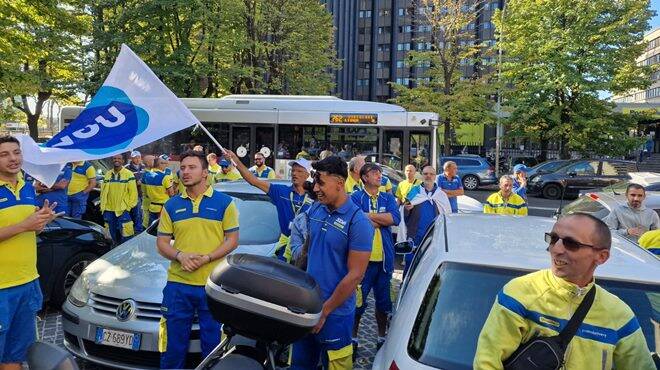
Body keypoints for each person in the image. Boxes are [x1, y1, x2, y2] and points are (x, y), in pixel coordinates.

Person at [474, 213, 655, 370]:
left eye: (571, 243)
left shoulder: (619, 314)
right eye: (553, 239)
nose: (556, 249)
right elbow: (487, 362)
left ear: (601, 256)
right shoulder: (520, 293)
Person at [156, 150, 239, 369]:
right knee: (172, 347)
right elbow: (162, 243)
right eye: (182, 168)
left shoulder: (225, 203)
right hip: (177, 285)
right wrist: (180, 255)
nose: (185, 172)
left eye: (191, 167)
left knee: (213, 347)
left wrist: (208, 258)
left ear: (205, 172)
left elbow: (232, 240)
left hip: (213, 285)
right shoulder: (171, 205)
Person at [290, 156, 373, 370]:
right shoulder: (316, 209)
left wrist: (324, 311)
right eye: (315, 182)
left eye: (321, 183)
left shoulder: (358, 222)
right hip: (306, 307)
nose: (315, 188)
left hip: (335, 315)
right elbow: (307, 250)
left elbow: (356, 275)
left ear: (339, 183)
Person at [0, 136, 58, 370]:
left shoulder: (26, 186)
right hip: (2, 288)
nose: (13, 159)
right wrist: (25, 225)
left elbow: (25, 228)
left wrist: (40, 221)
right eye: (4, 154)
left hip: (27, 282)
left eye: (16, 152)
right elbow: (21, 226)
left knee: (15, 355)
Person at [227, 149, 314, 262]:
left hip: (307, 250)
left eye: (299, 171)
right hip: (283, 252)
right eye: (293, 170)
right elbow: (253, 180)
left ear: (307, 174)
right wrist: (236, 160)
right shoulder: (281, 191)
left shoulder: (315, 196)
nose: (294, 173)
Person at [350, 163, 400, 354]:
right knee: (358, 305)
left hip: (385, 263)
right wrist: (380, 218)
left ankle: (381, 337)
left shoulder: (387, 197)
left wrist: (368, 216)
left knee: (384, 304)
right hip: (363, 263)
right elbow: (356, 220)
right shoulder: (355, 197)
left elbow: (394, 219)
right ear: (364, 177)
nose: (379, 175)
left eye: (380, 172)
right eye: (374, 173)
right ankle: (353, 339)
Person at [401, 166, 451, 276]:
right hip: (415, 236)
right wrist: (407, 209)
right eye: (425, 174)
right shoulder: (414, 191)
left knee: (430, 268)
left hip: (434, 236)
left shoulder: (441, 195)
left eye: (431, 174)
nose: (428, 176)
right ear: (422, 175)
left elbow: (447, 215)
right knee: (410, 266)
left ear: (435, 176)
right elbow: (405, 208)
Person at [100, 153, 138, 244]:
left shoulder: (129, 174)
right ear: (112, 160)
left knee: (126, 235)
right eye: (114, 158)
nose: (116, 160)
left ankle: (127, 254)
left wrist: (128, 208)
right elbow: (103, 192)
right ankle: (112, 252)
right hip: (108, 210)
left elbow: (133, 194)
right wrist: (103, 207)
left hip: (122, 210)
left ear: (123, 161)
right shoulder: (108, 174)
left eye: (119, 158)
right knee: (110, 236)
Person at [142, 155, 175, 226]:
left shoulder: (147, 175)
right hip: (163, 207)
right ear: (159, 164)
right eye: (164, 163)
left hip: (152, 206)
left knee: (151, 228)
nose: (166, 165)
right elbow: (171, 193)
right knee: (163, 228)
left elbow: (144, 191)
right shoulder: (165, 177)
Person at [125, 150, 146, 233]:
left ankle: (138, 227)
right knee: (136, 212)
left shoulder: (143, 167)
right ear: (131, 158)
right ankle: (138, 229)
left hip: (142, 193)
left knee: (141, 212)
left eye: (139, 157)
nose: (137, 159)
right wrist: (135, 182)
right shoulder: (127, 167)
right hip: (133, 193)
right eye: (135, 158)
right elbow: (125, 180)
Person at [141, 154, 155, 229]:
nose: (156, 161)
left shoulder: (150, 173)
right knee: (148, 225)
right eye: (154, 160)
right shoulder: (147, 175)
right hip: (149, 205)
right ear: (148, 163)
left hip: (151, 205)